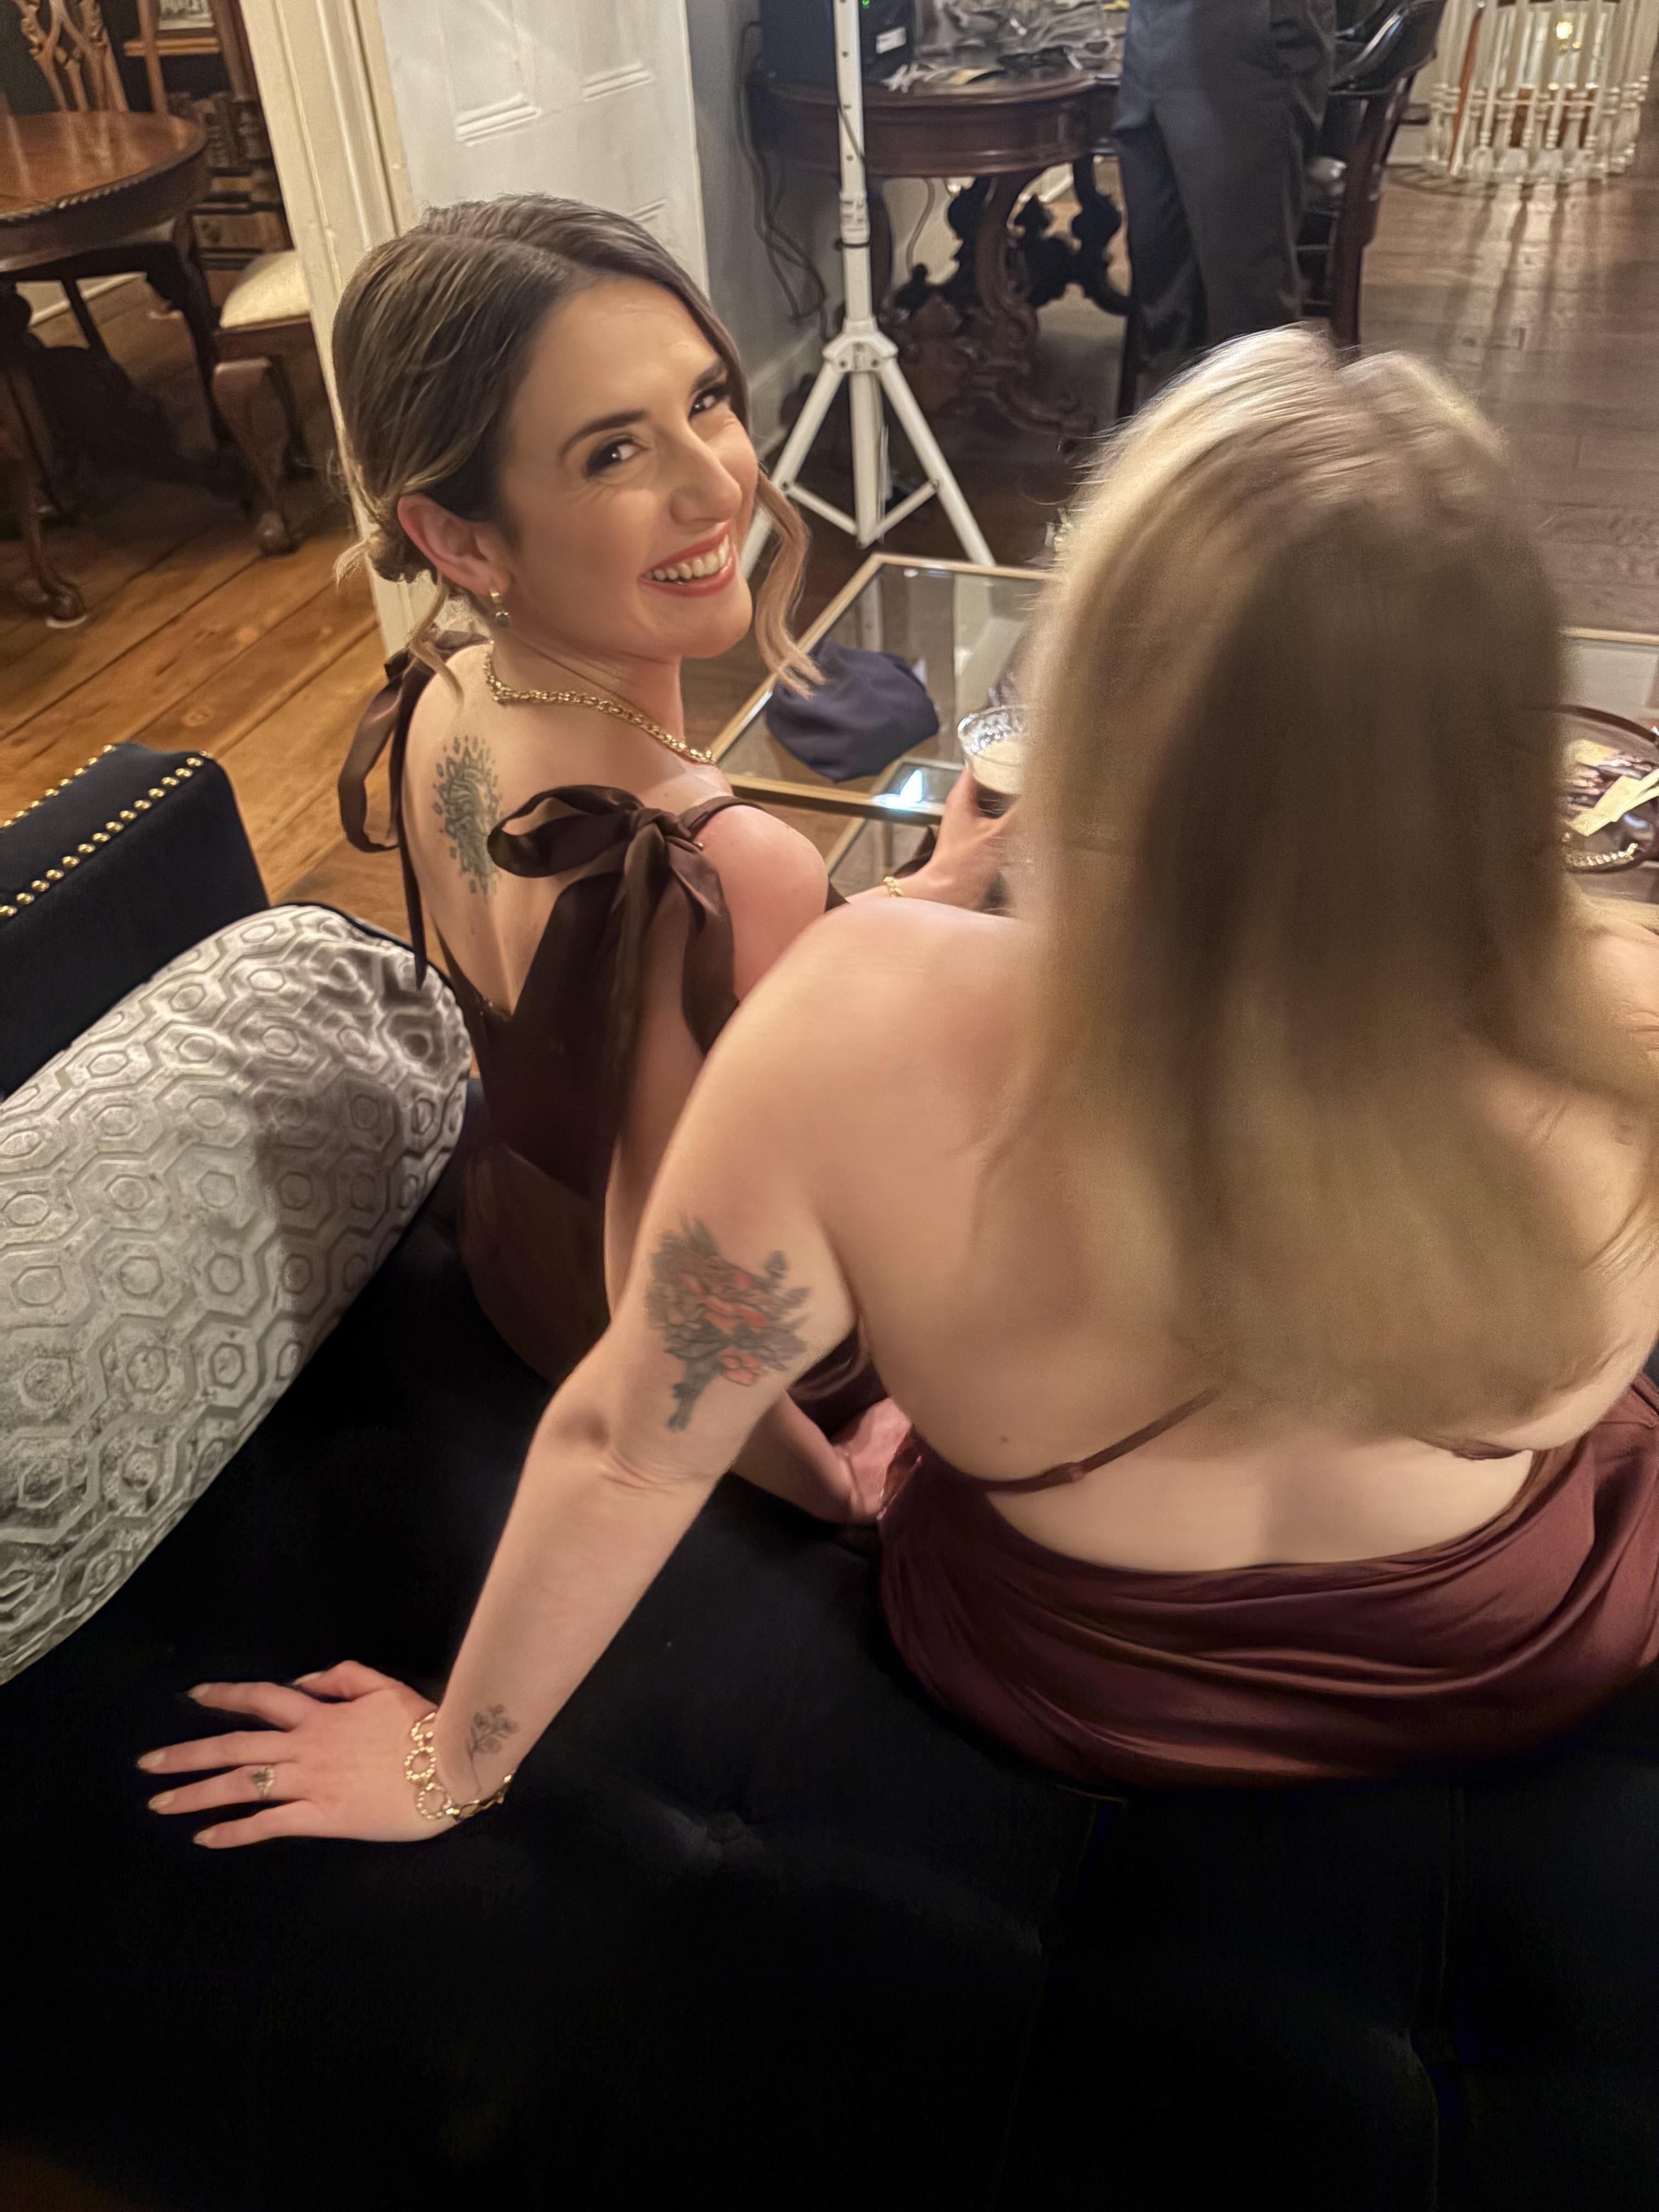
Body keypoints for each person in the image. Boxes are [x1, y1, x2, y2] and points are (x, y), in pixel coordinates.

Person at [146, 324, 1659, 1844]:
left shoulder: (856, 1022)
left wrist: (447, 1766)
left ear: (1098, 694)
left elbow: (631, 1443)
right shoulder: (1629, 1009)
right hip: (1516, 1650)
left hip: (1079, 1683)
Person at [331, 198, 998, 1511]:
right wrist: (845, 1495)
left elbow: (622, 1031)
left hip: (522, 1272)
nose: (717, 484)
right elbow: (673, 1308)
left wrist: (931, 890)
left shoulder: (443, 696)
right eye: (613, 454)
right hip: (746, 1395)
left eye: (706, 401)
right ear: (459, 537)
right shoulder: (721, 859)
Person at [1115, 0, 1336, 391]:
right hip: (1151, 29)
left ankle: (1257, 425)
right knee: (1161, 279)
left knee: (1246, 293)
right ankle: (1181, 422)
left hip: (1243, 30)